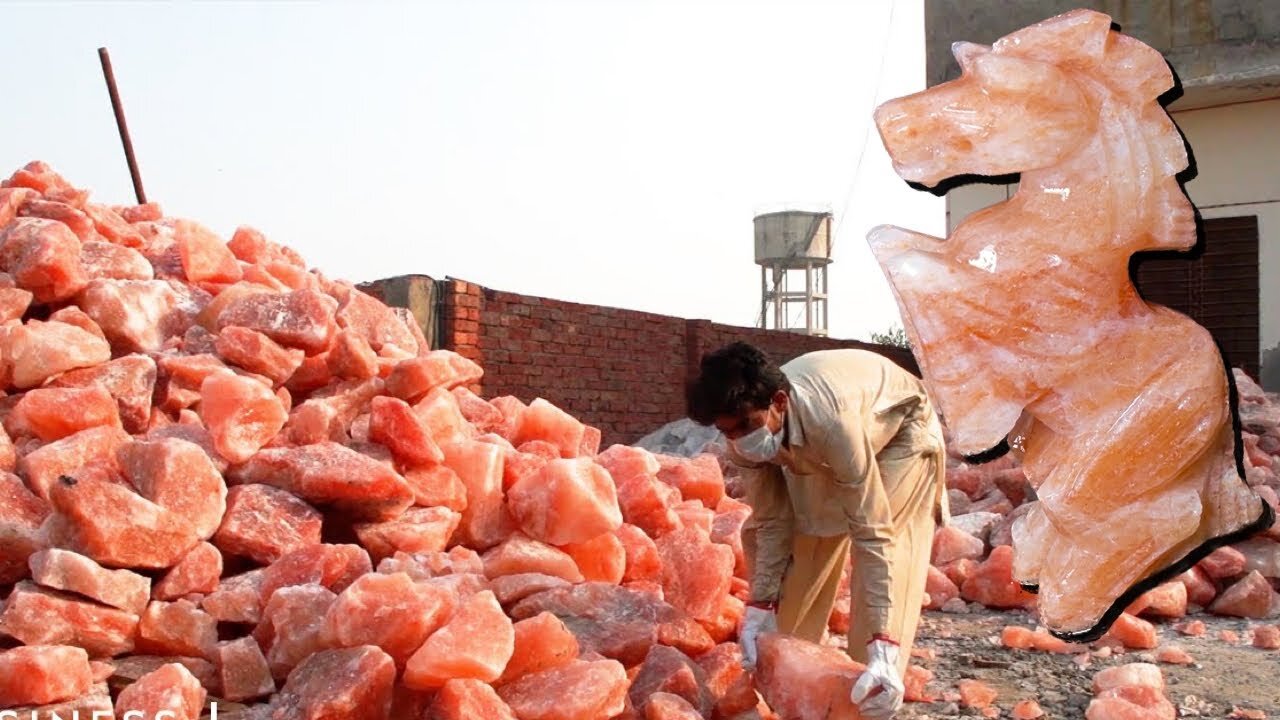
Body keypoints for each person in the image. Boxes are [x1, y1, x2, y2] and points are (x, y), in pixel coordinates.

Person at [686, 342, 948, 719]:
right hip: (818, 436)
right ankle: (794, 681)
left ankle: (873, 686)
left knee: (886, 538)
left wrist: (883, 643)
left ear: (777, 401)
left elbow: (872, 529)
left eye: (745, 425)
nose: (739, 439)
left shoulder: (832, 424)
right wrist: (761, 606)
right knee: (804, 539)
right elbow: (775, 523)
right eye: (726, 431)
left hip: (903, 430)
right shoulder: (743, 443)